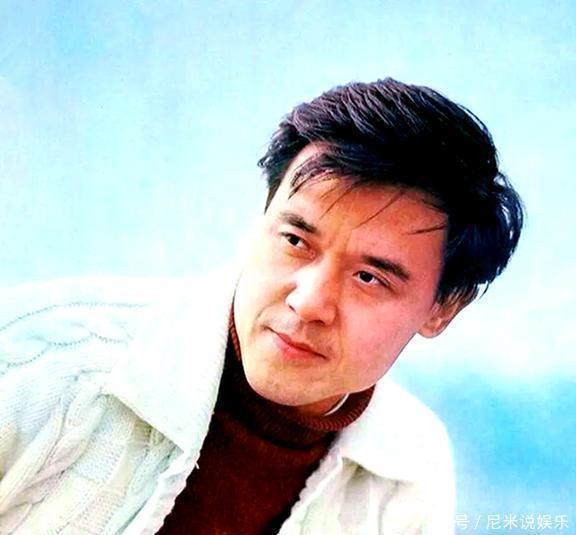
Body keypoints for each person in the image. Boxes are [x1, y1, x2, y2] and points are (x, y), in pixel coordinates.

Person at [0, 78, 523, 534]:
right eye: (295, 241)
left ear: (442, 309)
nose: (308, 301)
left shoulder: (409, 464)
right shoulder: (36, 366)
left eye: (368, 277)